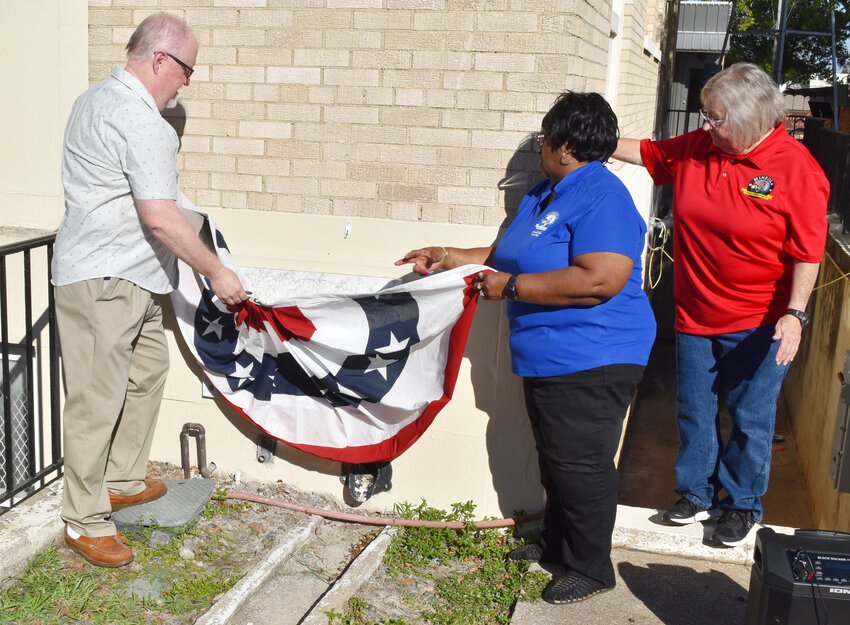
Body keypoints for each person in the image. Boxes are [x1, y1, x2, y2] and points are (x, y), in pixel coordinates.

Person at [396, 92, 656, 604]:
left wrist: (511, 288)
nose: (539, 144)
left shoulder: (602, 195)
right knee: (558, 457)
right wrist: (446, 256)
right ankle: (558, 548)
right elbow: (504, 253)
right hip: (550, 354)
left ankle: (592, 569)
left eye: (544, 136)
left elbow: (601, 279)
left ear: (567, 145)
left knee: (582, 463)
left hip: (595, 354)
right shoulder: (546, 193)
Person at [52, 12, 248, 568]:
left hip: (130, 278)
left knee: (147, 374)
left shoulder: (93, 100)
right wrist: (217, 271)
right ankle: (83, 519)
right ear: (160, 58)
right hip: (105, 281)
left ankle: (120, 479)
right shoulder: (139, 120)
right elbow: (159, 215)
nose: (187, 82)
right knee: (95, 401)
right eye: (187, 69)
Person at [612, 62, 829, 547]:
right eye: (705, 116)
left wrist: (794, 315)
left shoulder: (797, 169)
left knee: (750, 417)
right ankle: (694, 494)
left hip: (760, 324)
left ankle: (741, 505)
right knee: (693, 408)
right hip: (694, 315)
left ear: (749, 119)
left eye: (714, 117)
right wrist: (593, 139)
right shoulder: (697, 147)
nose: (704, 126)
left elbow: (807, 252)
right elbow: (647, 154)